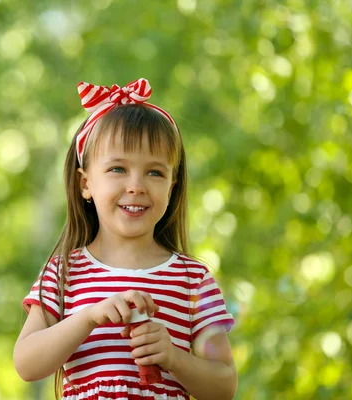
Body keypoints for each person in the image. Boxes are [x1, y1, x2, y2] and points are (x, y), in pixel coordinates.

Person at [13, 78, 237, 400]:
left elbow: (224, 386)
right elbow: (26, 363)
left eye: (155, 172)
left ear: (172, 188)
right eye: (118, 169)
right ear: (85, 184)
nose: (137, 186)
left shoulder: (192, 280)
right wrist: (89, 316)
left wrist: (173, 358)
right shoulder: (64, 273)